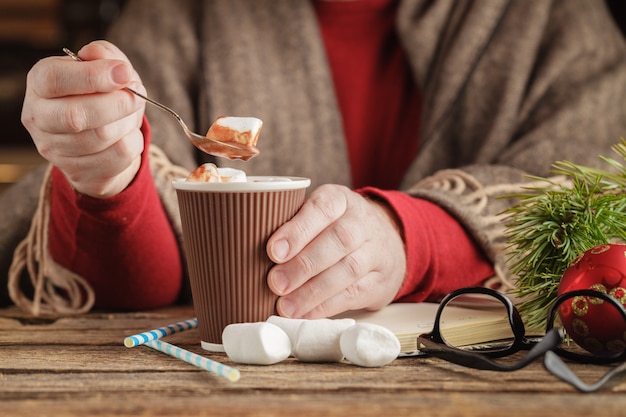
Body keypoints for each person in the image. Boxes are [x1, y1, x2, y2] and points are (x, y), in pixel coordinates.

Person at [2, 0, 626, 318]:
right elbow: (136, 282)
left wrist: (415, 238)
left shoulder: (554, 22)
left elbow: (594, 191)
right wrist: (109, 180)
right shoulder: (177, 17)